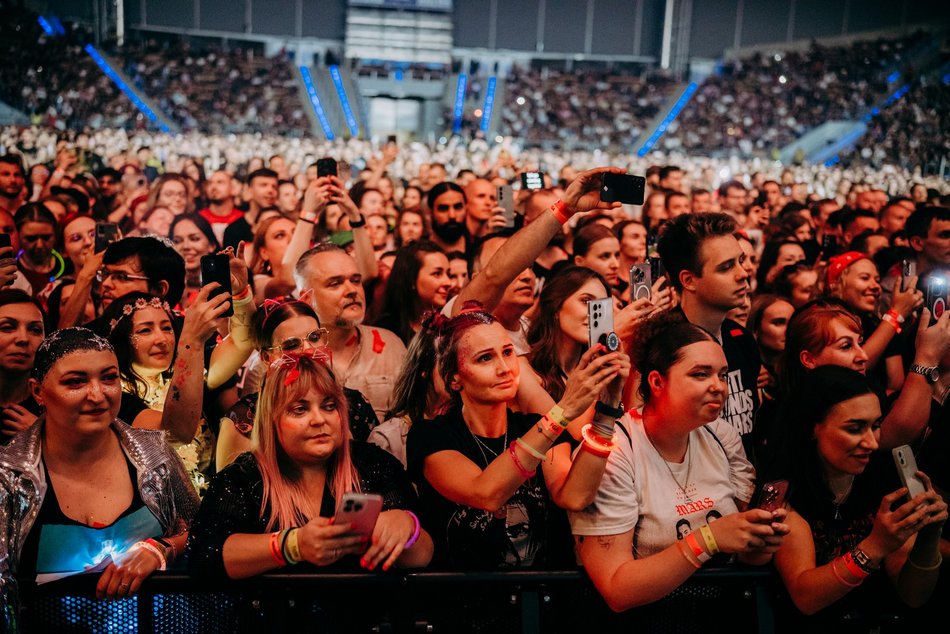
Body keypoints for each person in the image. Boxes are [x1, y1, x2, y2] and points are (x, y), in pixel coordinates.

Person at [570, 316, 788, 615]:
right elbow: (616, 590)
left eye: (722, 375)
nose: (718, 387)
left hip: (721, 613)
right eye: (700, 374)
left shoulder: (721, 434)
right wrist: (708, 539)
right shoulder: (615, 451)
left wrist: (760, 542)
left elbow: (742, 556)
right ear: (657, 382)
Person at [0, 329, 198, 628]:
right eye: (75, 382)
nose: (97, 394)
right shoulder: (9, 475)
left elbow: (207, 534)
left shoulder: (153, 453)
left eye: (109, 378)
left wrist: (161, 549)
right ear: (38, 391)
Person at [407, 305, 628, 569]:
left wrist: (607, 407)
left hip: (540, 599)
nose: (504, 368)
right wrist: (562, 411)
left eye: (508, 352)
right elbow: (486, 493)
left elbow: (574, 496)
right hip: (469, 601)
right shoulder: (431, 435)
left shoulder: (535, 426)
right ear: (455, 378)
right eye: (485, 358)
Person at [186, 349, 433, 584]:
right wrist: (293, 545)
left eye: (329, 406)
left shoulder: (372, 464)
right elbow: (205, 555)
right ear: (272, 420)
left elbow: (424, 557)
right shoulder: (244, 478)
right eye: (300, 409)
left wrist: (407, 526)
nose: (319, 419)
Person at [765, 366, 946, 631]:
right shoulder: (781, 490)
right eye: (854, 429)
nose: (871, 443)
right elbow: (806, 597)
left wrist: (929, 536)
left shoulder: (883, 480)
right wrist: (875, 546)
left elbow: (914, 596)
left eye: (875, 426)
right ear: (813, 428)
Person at [215, 296, 379, 469]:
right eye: (291, 344)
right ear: (266, 357)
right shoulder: (243, 420)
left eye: (314, 337)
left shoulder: (354, 404)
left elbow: (377, 476)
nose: (308, 350)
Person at [657, 212, 761, 441]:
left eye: (740, 261)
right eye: (725, 267)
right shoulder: (662, 348)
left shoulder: (741, 339)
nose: (742, 274)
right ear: (688, 280)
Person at [294, 243, 406, 421]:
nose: (352, 291)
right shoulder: (286, 355)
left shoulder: (391, 344)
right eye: (335, 284)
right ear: (306, 298)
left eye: (355, 281)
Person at [374, 240, 451, 345]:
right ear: (411, 279)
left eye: (448, 274)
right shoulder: (386, 330)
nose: (448, 282)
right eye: (437, 273)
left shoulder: (449, 324)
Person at [0, 290, 44, 440]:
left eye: (35, 330)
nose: (23, 338)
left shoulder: (54, 406)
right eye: (7, 327)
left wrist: (44, 437)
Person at [169, 213, 222, 309]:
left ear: (212, 245)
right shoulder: (165, 288)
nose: (186, 246)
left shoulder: (227, 284)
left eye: (194, 239)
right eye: (177, 241)